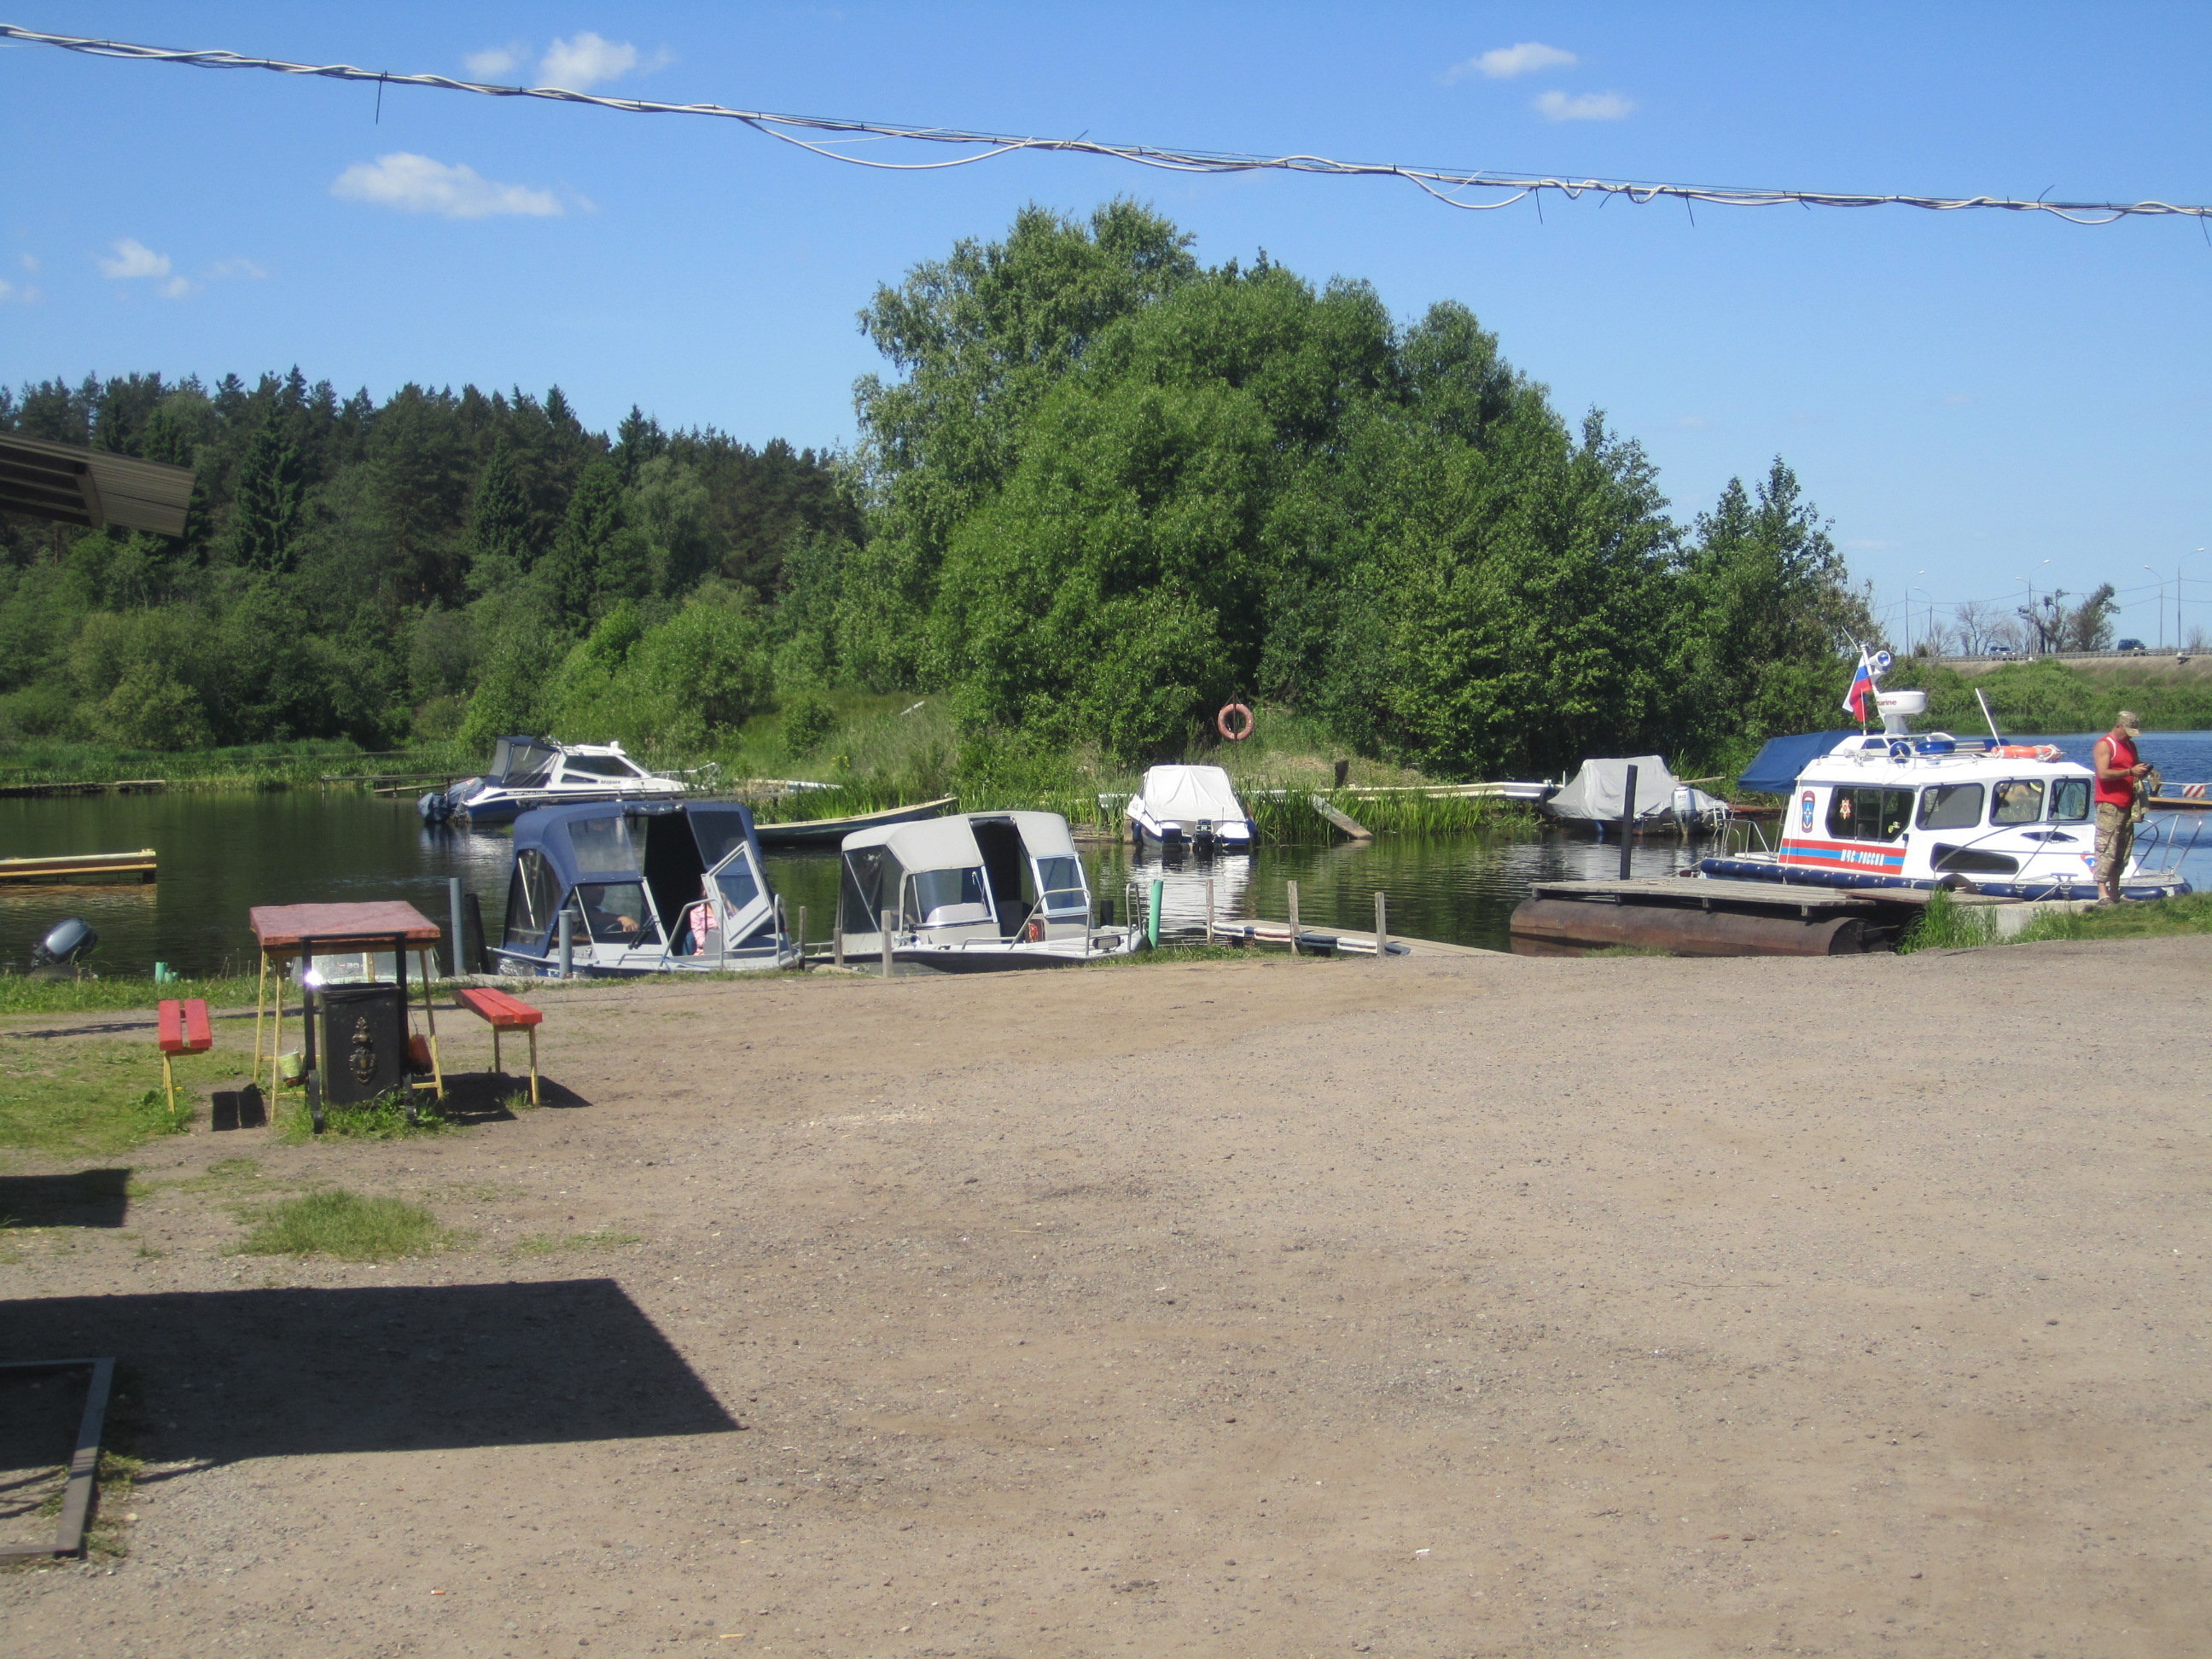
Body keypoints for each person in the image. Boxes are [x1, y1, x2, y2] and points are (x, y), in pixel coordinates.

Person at [2092, 710, 2150, 904]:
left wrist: (2142, 771)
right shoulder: (2105, 744)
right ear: (2119, 726)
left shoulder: (2130, 745)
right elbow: (2103, 774)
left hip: (2127, 803)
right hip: (2109, 803)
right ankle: (2102, 893)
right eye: (2127, 731)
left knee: (2122, 850)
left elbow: (2134, 767)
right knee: (2106, 846)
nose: (2129, 736)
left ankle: (2115, 892)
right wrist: (2129, 771)